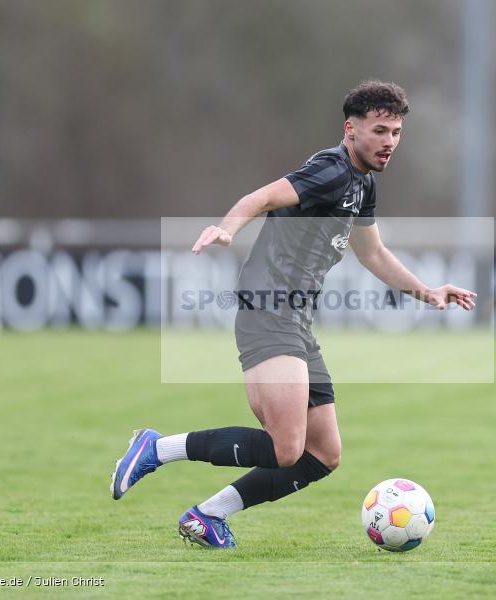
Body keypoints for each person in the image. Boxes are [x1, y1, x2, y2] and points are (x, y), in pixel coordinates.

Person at [109, 81, 476, 548]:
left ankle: (208, 515)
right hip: (268, 308)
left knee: (322, 454)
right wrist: (226, 229)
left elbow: (373, 253)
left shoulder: (363, 183)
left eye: (397, 132)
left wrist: (428, 292)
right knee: (286, 448)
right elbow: (262, 197)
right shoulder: (331, 169)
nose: (390, 142)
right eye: (380, 130)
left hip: (296, 319)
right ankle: (157, 448)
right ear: (351, 129)